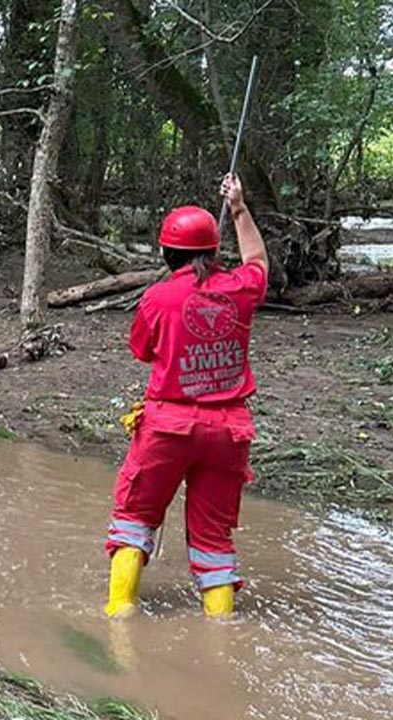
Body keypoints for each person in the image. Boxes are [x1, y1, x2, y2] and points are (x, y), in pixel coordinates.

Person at [103, 174, 269, 620]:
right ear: (214, 252)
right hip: (229, 432)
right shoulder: (240, 288)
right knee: (214, 541)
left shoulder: (157, 298)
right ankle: (221, 630)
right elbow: (257, 259)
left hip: (167, 426)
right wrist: (238, 207)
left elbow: (142, 350)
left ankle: (120, 613)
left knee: (134, 519)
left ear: (166, 253)